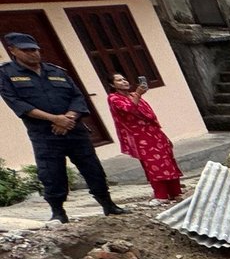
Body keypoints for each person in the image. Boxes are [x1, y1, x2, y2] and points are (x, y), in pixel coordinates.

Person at [0, 32, 124, 223]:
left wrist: (69, 118)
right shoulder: (7, 74)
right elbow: (17, 103)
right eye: (26, 50)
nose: (33, 54)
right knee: (51, 173)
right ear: (13, 50)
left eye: (35, 49)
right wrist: (55, 119)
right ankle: (58, 212)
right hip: (45, 134)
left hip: (74, 129)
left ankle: (108, 204)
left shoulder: (56, 71)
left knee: (92, 168)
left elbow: (78, 96)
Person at [107, 72, 182, 201]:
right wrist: (138, 94)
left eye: (124, 79)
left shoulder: (132, 95)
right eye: (119, 80)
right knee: (153, 164)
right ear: (112, 85)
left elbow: (150, 115)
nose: (124, 81)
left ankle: (175, 192)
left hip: (154, 133)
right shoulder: (114, 98)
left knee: (168, 161)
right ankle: (161, 195)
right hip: (140, 137)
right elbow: (129, 109)